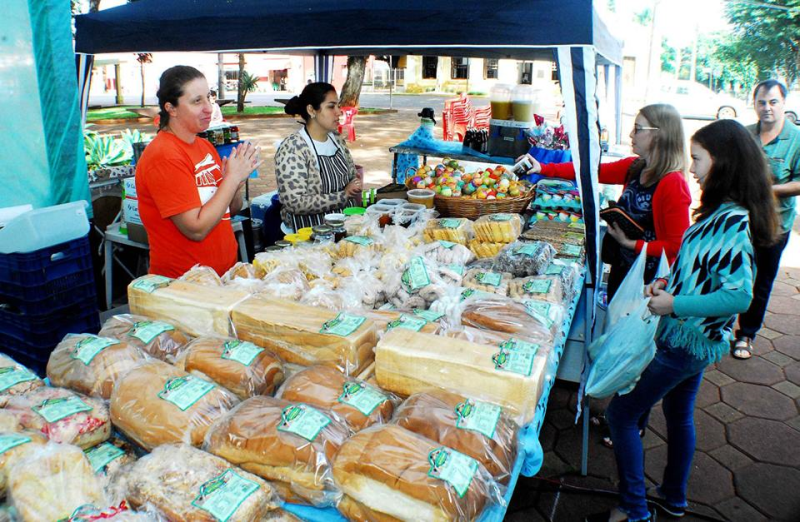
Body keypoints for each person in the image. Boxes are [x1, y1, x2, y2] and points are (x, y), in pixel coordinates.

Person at [586, 119, 779, 522]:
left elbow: (739, 294)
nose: (690, 168)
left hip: (685, 339)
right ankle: (672, 498)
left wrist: (675, 303)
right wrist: (665, 283)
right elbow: (699, 268)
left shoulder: (731, 221)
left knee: (622, 415)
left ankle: (633, 508)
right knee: (678, 414)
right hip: (693, 340)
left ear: (722, 162)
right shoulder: (722, 211)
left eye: (697, 159)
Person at [521, 104, 692, 302]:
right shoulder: (636, 166)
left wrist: (630, 243)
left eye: (637, 129)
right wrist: (543, 167)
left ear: (659, 135)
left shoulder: (673, 183)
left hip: (650, 283)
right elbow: (589, 171)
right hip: (623, 269)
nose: (630, 134)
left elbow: (676, 246)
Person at [136, 65, 261, 278]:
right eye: (197, 101)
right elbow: (195, 229)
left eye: (209, 98)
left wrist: (236, 183)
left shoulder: (204, 146)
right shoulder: (164, 155)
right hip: (185, 284)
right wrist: (230, 179)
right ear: (171, 108)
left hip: (221, 276)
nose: (208, 108)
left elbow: (232, 208)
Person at [732, 79, 800, 359]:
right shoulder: (745, 135)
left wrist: (767, 190)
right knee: (732, 275)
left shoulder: (795, 139)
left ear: (784, 104)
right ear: (755, 104)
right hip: (740, 223)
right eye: (761, 102)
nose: (767, 108)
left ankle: (746, 334)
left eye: (773, 102)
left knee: (762, 282)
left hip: (775, 225)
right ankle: (720, 325)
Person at [275, 82, 361, 231]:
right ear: (311, 110)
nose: (339, 112)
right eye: (331, 106)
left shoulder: (336, 139)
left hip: (345, 226)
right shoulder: (294, 147)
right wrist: (342, 196)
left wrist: (354, 185)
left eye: (338, 106)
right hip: (310, 232)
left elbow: (352, 176)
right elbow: (294, 202)